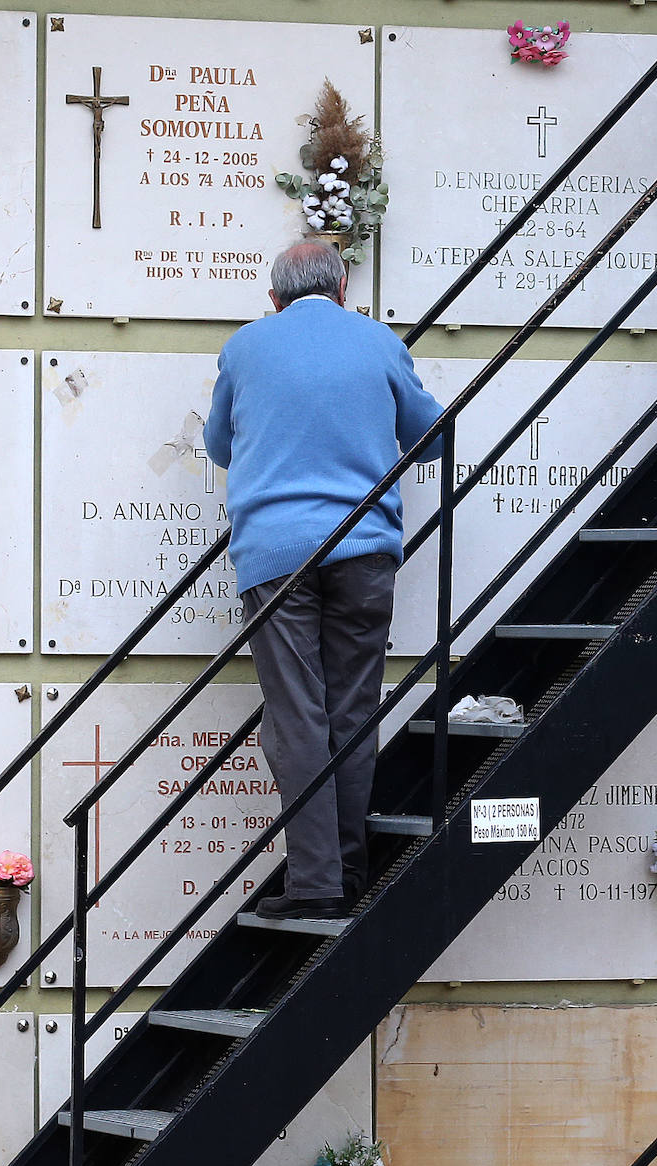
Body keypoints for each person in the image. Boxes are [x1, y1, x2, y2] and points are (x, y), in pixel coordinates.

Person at [204, 238, 444, 919]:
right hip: (364, 548)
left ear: (274, 298)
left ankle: (316, 884)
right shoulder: (377, 341)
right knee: (352, 708)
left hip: (276, 553)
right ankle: (347, 867)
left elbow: (220, 445)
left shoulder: (247, 347)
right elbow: (434, 434)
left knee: (297, 714)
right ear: (342, 290)